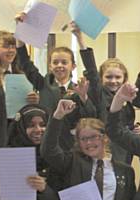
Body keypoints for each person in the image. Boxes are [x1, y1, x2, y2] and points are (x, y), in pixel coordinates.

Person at [14, 13, 97, 151]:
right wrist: (20, 28)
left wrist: (84, 97)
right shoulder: (42, 84)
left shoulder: (79, 89)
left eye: (64, 62)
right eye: (55, 62)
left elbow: (91, 115)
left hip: (70, 147)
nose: (60, 65)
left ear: (73, 66)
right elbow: (24, 61)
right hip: (45, 144)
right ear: (50, 66)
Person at [71, 22, 140, 164]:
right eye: (109, 77)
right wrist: (80, 39)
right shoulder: (99, 94)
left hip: (124, 148)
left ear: (124, 79)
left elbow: (126, 122)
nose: (113, 81)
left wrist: (137, 128)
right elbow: (91, 70)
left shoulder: (126, 98)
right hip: (105, 148)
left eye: (118, 77)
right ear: (101, 78)